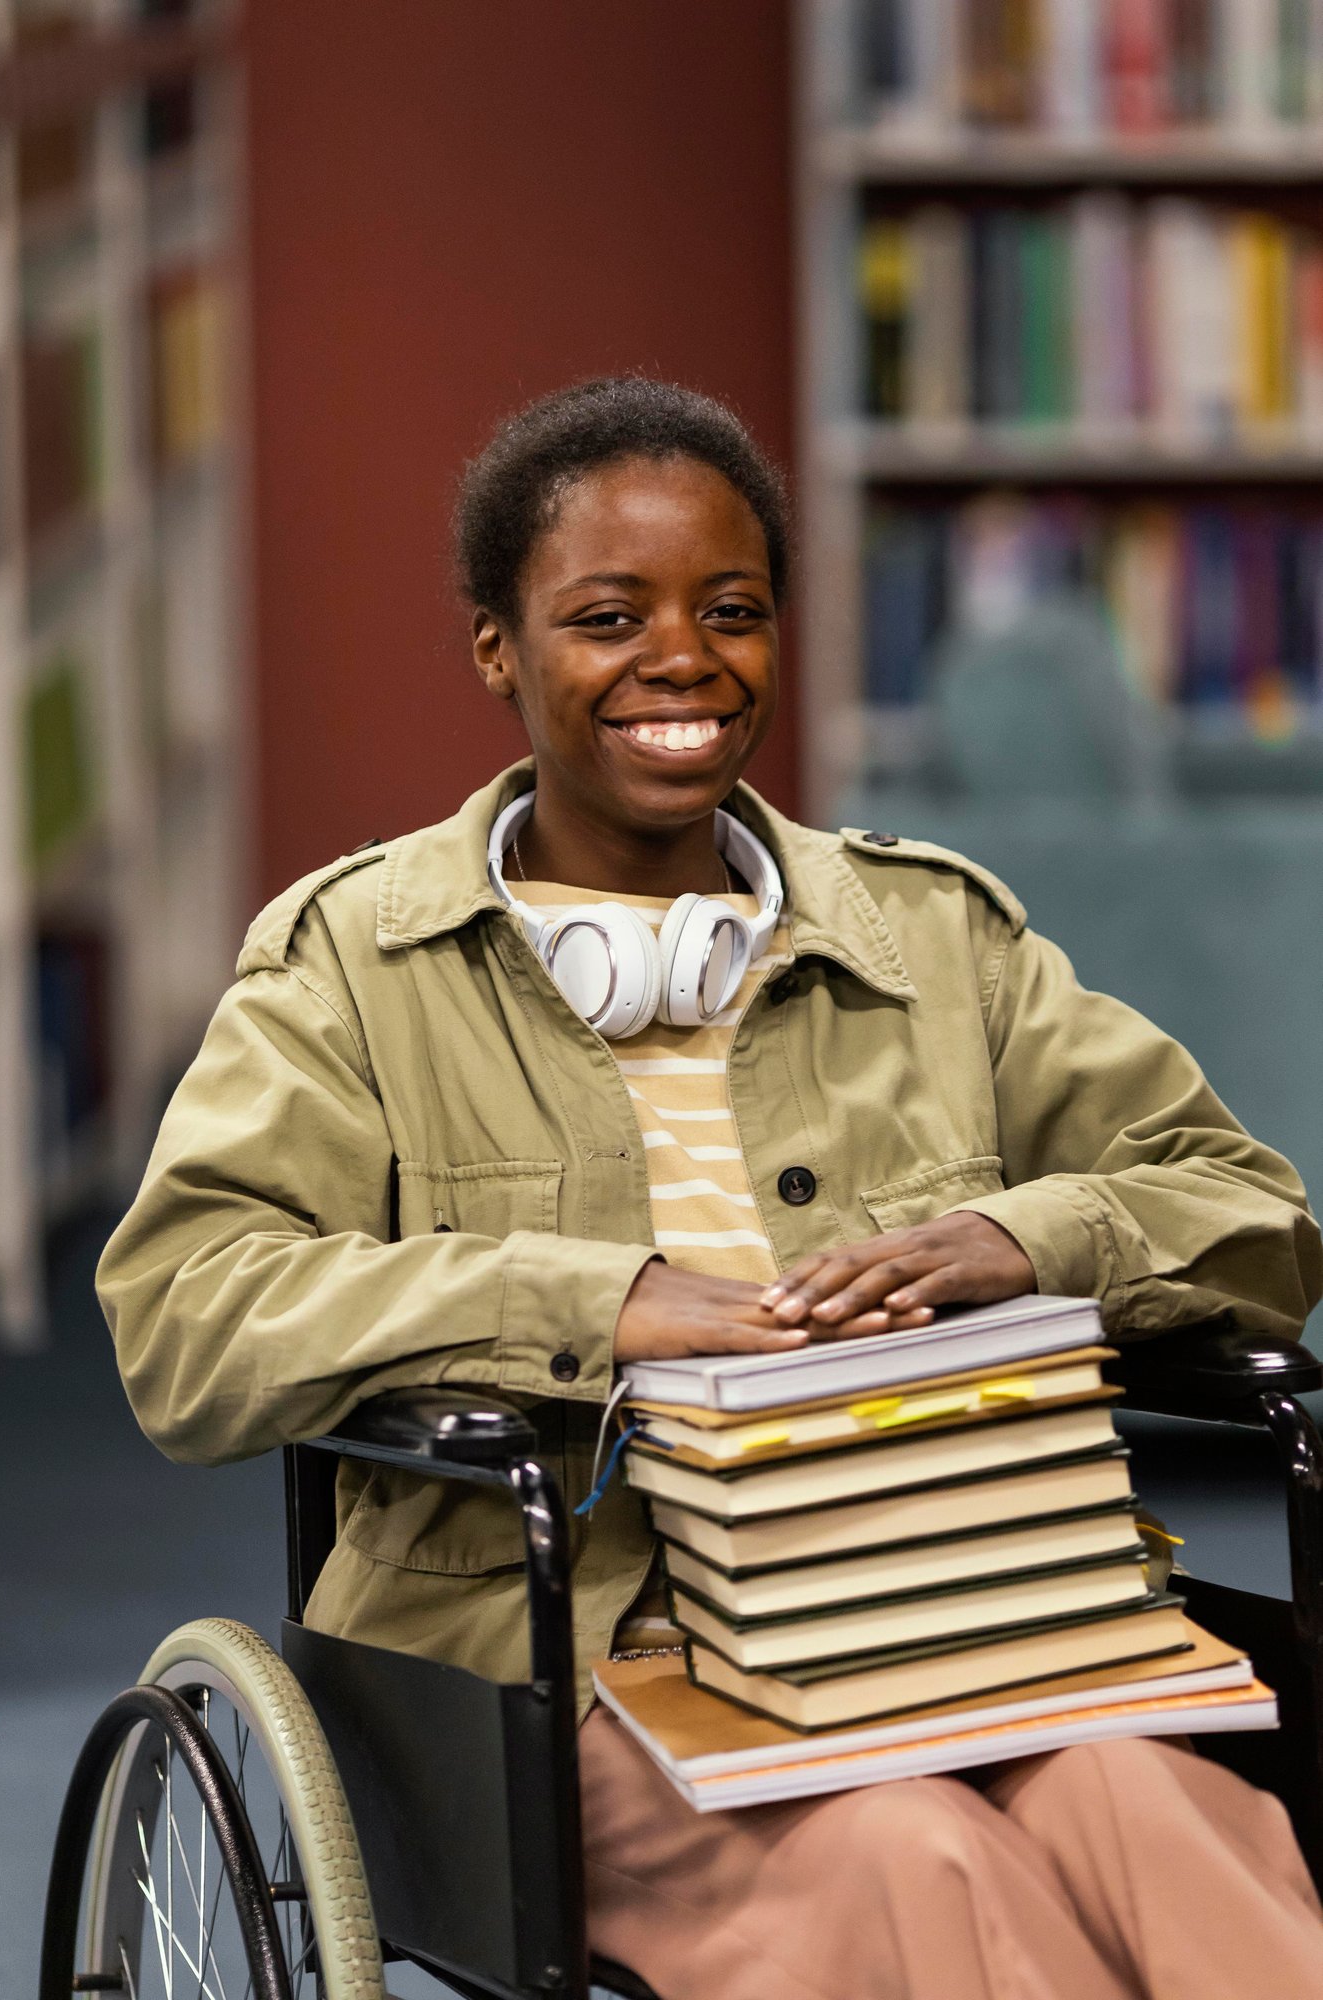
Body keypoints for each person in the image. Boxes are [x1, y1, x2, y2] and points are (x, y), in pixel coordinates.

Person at [98, 378, 1323, 1999]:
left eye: (731, 610)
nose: (683, 659)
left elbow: (1247, 1209)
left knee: (1152, 1818)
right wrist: (586, 1303)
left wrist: (1018, 1240)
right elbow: (186, 1317)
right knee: (912, 1859)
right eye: (608, 617)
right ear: (497, 650)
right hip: (579, 1660)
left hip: (953, 1608)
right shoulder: (348, 969)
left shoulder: (932, 937)